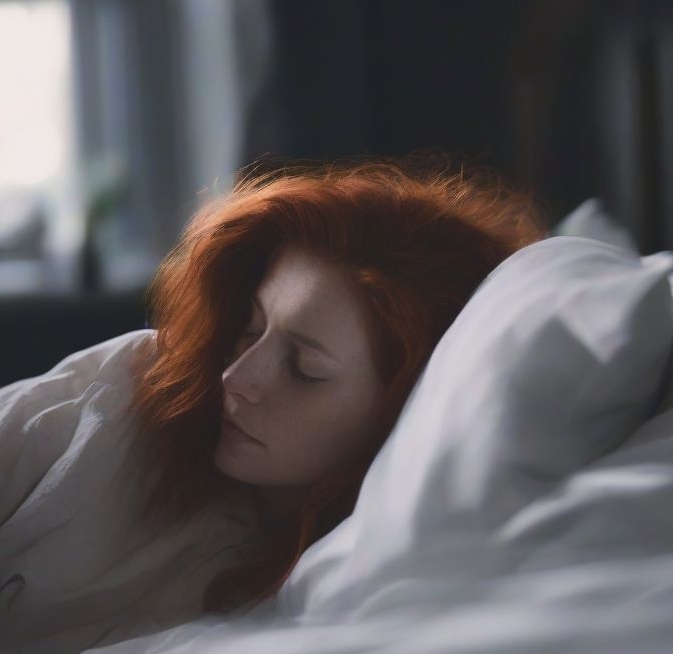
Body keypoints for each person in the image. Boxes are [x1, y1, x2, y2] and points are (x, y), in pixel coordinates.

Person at [128, 152, 548, 616]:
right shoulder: (127, 401)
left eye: (304, 368)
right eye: (251, 326)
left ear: (402, 408)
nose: (236, 377)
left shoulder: (384, 582)